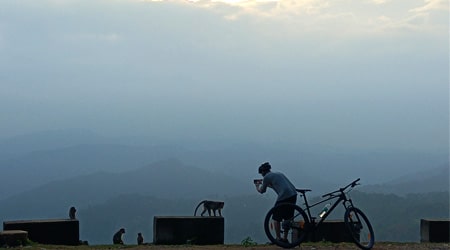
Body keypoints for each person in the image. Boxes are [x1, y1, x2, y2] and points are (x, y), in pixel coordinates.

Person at [255, 162, 297, 243]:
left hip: (284, 195)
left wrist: (257, 186)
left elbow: (262, 191)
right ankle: (285, 238)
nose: (262, 175)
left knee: (276, 217)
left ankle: (278, 238)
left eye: (261, 173)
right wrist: (266, 184)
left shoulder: (266, 177)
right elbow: (276, 185)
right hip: (293, 194)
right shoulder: (278, 173)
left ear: (263, 172)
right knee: (288, 217)